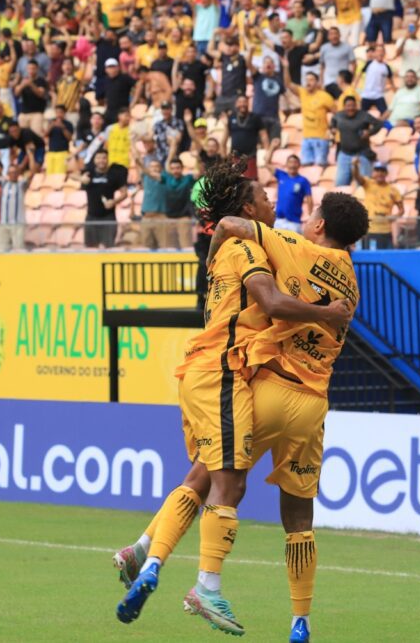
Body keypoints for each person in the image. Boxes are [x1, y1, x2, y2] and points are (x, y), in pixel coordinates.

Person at [114, 157, 355, 638]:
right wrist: (327, 314)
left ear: (321, 224)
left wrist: (213, 244)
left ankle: (145, 552)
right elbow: (272, 300)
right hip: (250, 380)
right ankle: (248, 600)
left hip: (229, 375)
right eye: (265, 196)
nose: (274, 202)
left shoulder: (255, 248)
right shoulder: (284, 258)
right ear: (249, 206)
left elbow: (228, 230)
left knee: (206, 474)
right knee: (248, 495)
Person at [331, 96, 383, 186]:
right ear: (344, 107)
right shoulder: (339, 116)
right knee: (340, 184)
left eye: (353, 105)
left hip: (361, 154)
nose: (350, 108)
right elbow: (333, 121)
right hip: (344, 154)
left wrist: (369, 132)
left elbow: (378, 124)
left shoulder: (363, 115)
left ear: (356, 106)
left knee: (364, 184)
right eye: (348, 106)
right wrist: (333, 128)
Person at [81, 150, 127, 248]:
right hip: (91, 216)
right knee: (90, 248)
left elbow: (125, 193)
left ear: (107, 159)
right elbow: (70, 172)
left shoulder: (114, 174)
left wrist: (114, 202)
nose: (101, 160)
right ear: (94, 160)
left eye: (104, 158)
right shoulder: (89, 173)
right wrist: (81, 179)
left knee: (108, 248)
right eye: (98, 158)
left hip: (108, 217)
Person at [353, 159, 402, 249]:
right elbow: (357, 177)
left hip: (386, 230)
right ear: (373, 172)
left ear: (386, 173)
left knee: (386, 258)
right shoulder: (368, 184)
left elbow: (401, 210)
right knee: (371, 259)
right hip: (371, 230)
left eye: (382, 171)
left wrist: (394, 216)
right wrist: (355, 166)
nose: (380, 173)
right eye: (377, 170)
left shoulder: (393, 190)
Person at [273, 155, 313, 232]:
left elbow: (309, 199)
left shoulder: (303, 181)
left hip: (294, 223)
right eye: (290, 162)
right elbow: (266, 163)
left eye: (295, 162)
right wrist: (272, 147)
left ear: (299, 165)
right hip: (278, 220)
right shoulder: (281, 175)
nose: (292, 165)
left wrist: (310, 215)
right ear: (286, 164)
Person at [0, 164, 27, 252]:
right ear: (8, 174)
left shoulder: (21, 185)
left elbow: (33, 172)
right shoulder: (4, 184)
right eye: (11, 173)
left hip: (18, 224)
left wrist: (30, 154)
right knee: (2, 250)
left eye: (15, 172)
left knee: (19, 250)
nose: (13, 174)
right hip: (4, 223)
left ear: (18, 174)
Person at [45, 105, 75, 175]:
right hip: (51, 152)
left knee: (60, 174)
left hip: (63, 152)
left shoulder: (68, 124)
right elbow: (45, 135)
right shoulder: (51, 123)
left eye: (61, 112)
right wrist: (51, 126)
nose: (59, 114)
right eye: (57, 112)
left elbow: (70, 138)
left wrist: (63, 128)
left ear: (64, 113)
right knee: (50, 174)